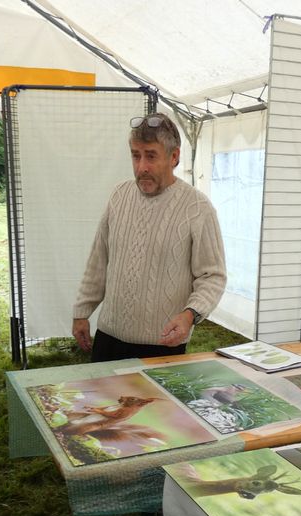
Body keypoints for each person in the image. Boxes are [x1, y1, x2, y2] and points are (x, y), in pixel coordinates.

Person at [72, 112, 226, 361]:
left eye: (151, 156)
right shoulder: (119, 196)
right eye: (136, 155)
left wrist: (190, 314)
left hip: (163, 345)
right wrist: (82, 311)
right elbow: (98, 259)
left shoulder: (198, 208)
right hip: (108, 338)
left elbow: (212, 276)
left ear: (174, 156)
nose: (141, 166)